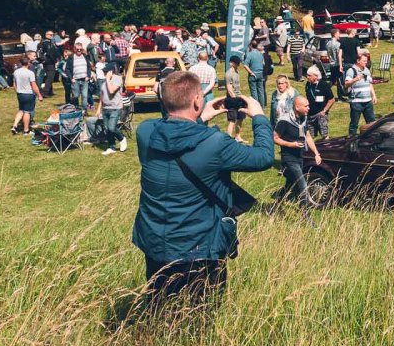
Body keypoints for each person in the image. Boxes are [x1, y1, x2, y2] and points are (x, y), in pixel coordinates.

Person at [132, 72, 272, 306]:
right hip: (198, 245)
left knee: (158, 306)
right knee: (200, 312)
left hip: (155, 240)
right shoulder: (215, 143)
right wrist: (259, 117)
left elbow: (172, 134)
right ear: (198, 100)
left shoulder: (146, 132)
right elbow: (263, 157)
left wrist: (199, 117)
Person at [268, 95, 323, 219]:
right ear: (297, 107)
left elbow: (307, 136)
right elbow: (274, 138)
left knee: (290, 186)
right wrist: (290, 144)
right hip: (288, 158)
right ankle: (306, 215)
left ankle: (273, 208)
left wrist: (316, 153)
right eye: (306, 106)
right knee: (302, 185)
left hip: (299, 157)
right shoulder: (284, 121)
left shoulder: (303, 118)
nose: (309, 108)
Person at [343, 52, 376, 136]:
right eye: (364, 61)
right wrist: (355, 79)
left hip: (368, 101)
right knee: (354, 124)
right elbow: (346, 84)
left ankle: (372, 138)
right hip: (356, 102)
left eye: (366, 61)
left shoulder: (366, 70)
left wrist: (373, 95)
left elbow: (370, 83)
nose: (366, 62)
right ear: (358, 61)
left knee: (372, 123)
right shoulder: (351, 71)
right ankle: (352, 140)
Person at [99, 64, 128, 155]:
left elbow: (111, 91)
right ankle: (111, 147)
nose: (104, 73)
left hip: (115, 107)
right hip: (105, 108)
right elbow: (102, 96)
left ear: (111, 71)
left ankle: (122, 138)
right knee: (107, 129)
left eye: (106, 71)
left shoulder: (117, 79)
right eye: (103, 71)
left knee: (111, 128)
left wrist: (108, 79)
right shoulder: (104, 82)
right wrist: (98, 109)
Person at [11, 57, 42, 135]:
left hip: (20, 93)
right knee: (27, 112)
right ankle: (26, 130)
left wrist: (17, 91)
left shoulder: (16, 72)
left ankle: (14, 125)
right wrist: (39, 95)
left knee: (21, 109)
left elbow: (14, 84)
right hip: (28, 94)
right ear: (28, 63)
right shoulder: (30, 73)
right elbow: (34, 85)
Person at [304, 65, 335, 139]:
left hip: (320, 114)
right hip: (310, 114)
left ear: (316, 76)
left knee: (324, 135)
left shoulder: (324, 85)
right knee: (310, 136)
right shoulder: (308, 85)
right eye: (307, 75)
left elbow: (332, 99)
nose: (307, 77)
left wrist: (324, 111)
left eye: (309, 75)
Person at [224, 56, 245, 141]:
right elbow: (229, 89)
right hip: (232, 99)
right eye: (237, 63)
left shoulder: (236, 72)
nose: (238, 64)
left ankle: (238, 136)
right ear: (231, 63)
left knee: (240, 119)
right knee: (232, 120)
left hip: (239, 97)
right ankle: (228, 139)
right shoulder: (228, 74)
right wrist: (234, 99)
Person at [66, 45, 92, 111]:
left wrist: (88, 76)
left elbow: (89, 67)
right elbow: (67, 69)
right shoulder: (71, 57)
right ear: (74, 49)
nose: (79, 51)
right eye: (77, 49)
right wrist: (71, 78)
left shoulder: (85, 56)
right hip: (75, 80)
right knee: (75, 96)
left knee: (84, 96)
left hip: (84, 79)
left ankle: (84, 110)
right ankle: (75, 108)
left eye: (80, 49)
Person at [244, 39, 266, 106]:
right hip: (260, 73)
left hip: (253, 74)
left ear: (251, 46)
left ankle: (255, 105)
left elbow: (245, 65)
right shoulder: (260, 53)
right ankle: (262, 105)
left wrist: (251, 72)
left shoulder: (249, 54)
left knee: (254, 91)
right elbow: (263, 63)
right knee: (261, 91)